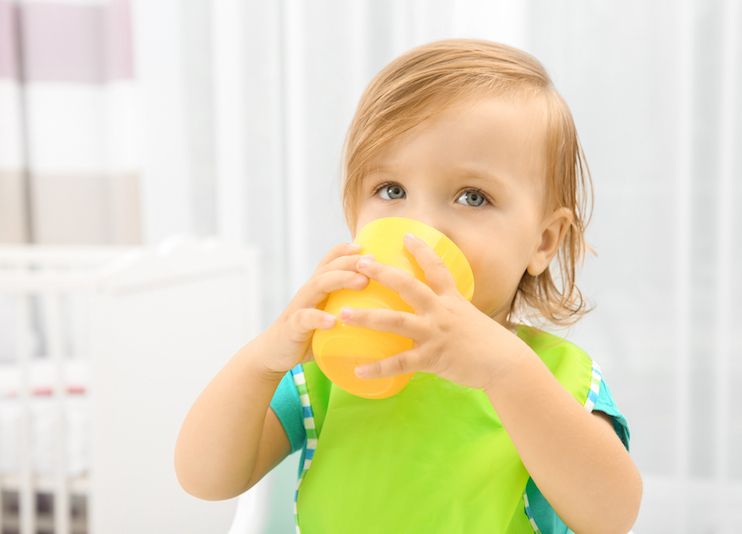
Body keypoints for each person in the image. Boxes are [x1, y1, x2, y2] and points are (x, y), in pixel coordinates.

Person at [175, 38, 642, 533]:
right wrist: (262, 360)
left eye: (472, 197)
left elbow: (611, 516)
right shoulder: (332, 370)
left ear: (542, 242)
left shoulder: (554, 377)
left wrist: (506, 373)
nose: (421, 225)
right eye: (391, 190)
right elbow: (206, 478)